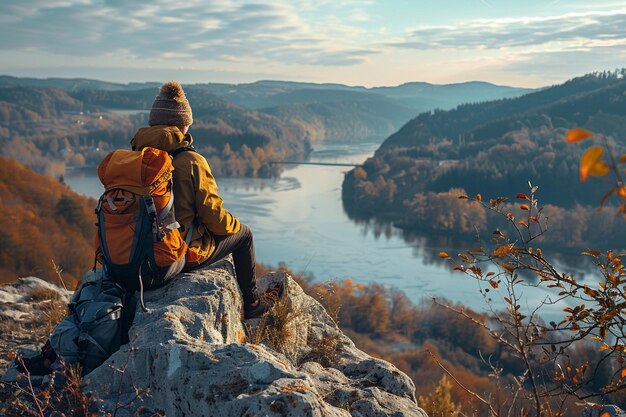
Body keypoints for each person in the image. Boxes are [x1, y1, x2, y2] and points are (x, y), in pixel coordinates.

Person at [130, 81, 269, 319]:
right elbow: (214, 219)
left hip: (133, 258)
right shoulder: (191, 161)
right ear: (183, 125)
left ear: (153, 123)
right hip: (173, 256)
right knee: (244, 235)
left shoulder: (133, 157)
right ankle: (253, 303)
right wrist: (235, 224)